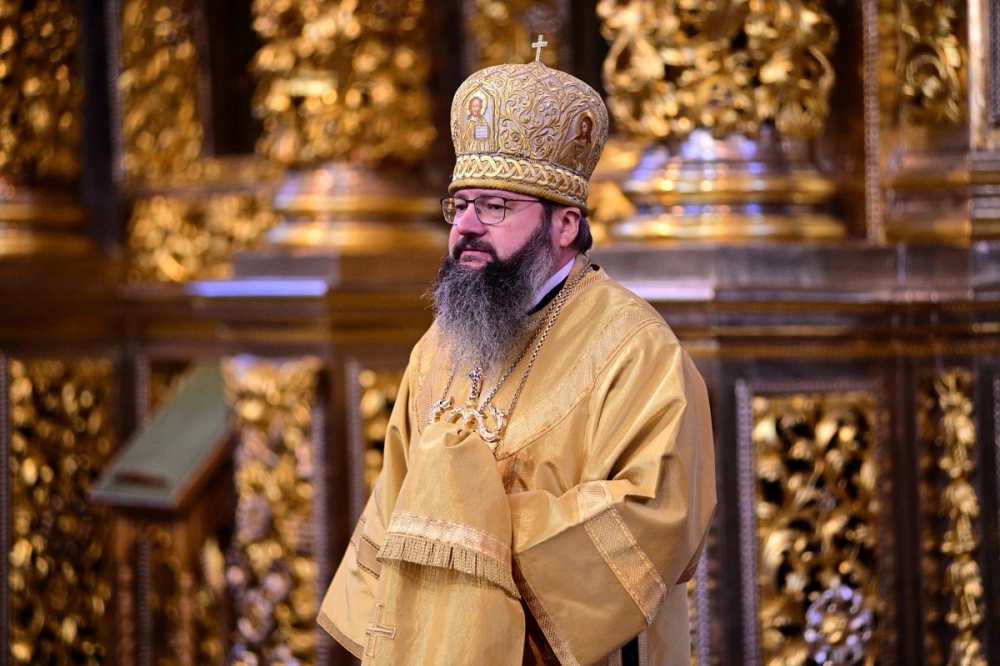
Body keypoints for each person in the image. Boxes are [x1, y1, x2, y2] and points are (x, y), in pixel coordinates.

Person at [318, 54, 717, 666]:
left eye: (495, 207)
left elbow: (658, 515)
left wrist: (474, 522)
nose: (466, 227)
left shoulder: (637, 348)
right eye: (460, 206)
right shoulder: (438, 348)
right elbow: (395, 506)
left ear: (566, 224)